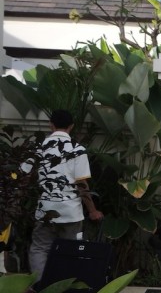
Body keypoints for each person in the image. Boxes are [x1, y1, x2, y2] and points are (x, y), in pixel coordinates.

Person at [25, 109, 103, 282]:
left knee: (40, 249)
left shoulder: (38, 148)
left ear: (51, 125)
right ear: (72, 127)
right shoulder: (77, 150)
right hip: (71, 213)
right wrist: (92, 210)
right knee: (72, 251)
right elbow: (82, 184)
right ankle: (65, 290)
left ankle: (39, 289)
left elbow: (24, 176)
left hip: (44, 211)